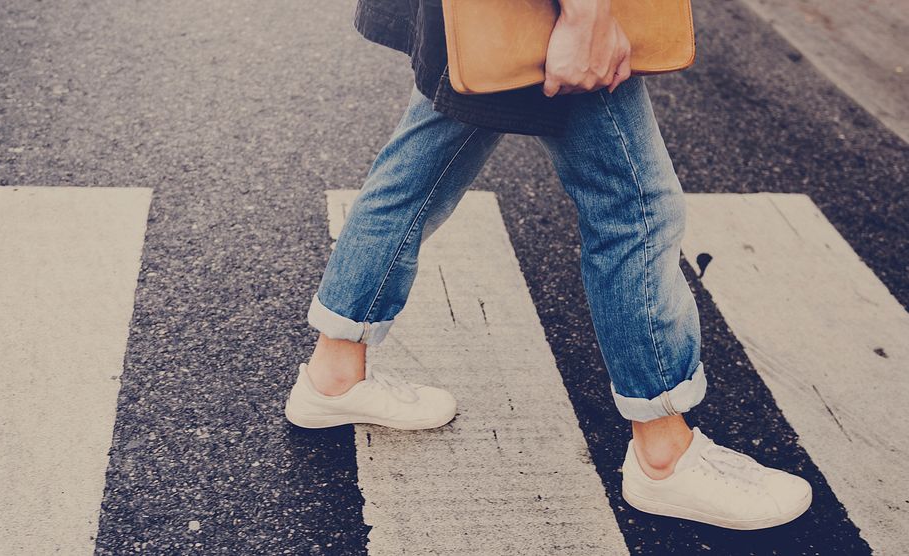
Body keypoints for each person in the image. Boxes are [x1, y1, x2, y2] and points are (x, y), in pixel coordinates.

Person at [284, 0, 813, 530]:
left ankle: (334, 374)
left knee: (419, 171)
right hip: (551, 12)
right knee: (635, 210)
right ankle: (664, 456)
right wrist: (586, 17)